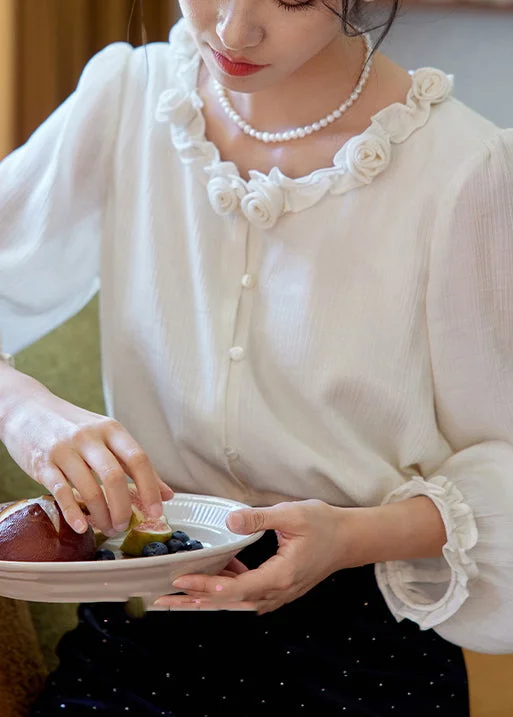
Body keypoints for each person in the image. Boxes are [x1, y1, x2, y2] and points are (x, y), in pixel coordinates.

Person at [0, 0, 512, 714]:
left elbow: (504, 458)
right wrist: (26, 410)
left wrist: (352, 535)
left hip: (357, 653)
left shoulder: (462, 168)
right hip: (146, 632)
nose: (234, 30)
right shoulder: (128, 98)